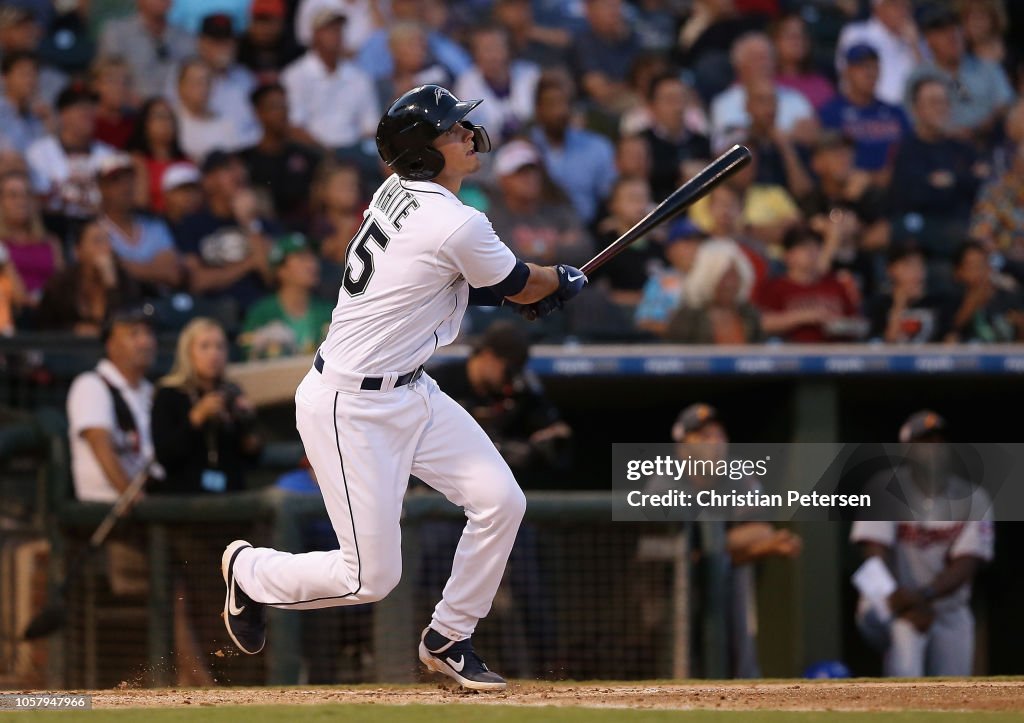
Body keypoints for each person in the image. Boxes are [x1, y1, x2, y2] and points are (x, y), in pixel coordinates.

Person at [219, 84, 586, 691]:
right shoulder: (455, 220)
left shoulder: (399, 193)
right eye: (452, 130)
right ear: (422, 152)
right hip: (350, 406)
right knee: (369, 578)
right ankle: (251, 571)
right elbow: (522, 281)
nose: (467, 135)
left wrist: (517, 292)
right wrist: (560, 282)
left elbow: (446, 276)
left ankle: (449, 637)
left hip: (412, 389)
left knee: (500, 500)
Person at [422, 321, 570, 678]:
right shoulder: (441, 381)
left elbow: (560, 444)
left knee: (530, 576)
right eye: (506, 368)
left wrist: (528, 451)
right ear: (487, 356)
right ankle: (421, 655)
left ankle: (547, 674)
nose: (509, 380)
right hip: (437, 507)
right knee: (417, 570)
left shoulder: (520, 391)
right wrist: (499, 447)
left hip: (487, 508)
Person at [851, 411, 994, 677]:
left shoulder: (974, 498)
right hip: (892, 600)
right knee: (904, 657)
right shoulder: (884, 488)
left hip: (945, 606)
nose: (934, 448)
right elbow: (873, 551)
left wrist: (924, 596)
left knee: (956, 691)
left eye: (939, 441)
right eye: (924, 442)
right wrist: (901, 599)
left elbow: (967, 562)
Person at [665, 403, 802, 677]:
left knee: (732, 570)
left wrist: (755, 544)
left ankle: (745, 683)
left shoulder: (736, 475)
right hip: (664, 583)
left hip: (715, 574)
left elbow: (761, 529)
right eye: (703, 436)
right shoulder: (666, 481)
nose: (714, 442)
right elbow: (686, 554)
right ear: (682, 449)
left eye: (718, 435)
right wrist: (760, 546)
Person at [151, 317, 261, 494]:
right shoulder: (168, 393)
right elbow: (165, 456)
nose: (214, 354)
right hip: (184, 494)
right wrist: (196, 418)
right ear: (188, 352)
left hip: (231, 491)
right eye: (205, 346)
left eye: (220, 347)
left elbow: (251, 456)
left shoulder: (232, 391)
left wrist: (247, 423)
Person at [889, 78, 988, 264]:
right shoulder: (908, 149)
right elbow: (914, 196)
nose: (940, 108)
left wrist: (950, 180)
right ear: (916, 109)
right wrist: (962, 181)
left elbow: (981, 183)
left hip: (962, 226)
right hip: (925, 234)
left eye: (944, 102)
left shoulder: (961, 147)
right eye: (933, 102)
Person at [66, 305, 156, 503]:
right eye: (134, 334)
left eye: (148, 333)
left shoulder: (150, 391)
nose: (145, 342)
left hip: (152, 495)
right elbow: (99, 442)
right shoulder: (92, 384)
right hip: (108, 504)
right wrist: (130, 495)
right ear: (111, 344)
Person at [174, 150, 275, 318]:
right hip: (211, 312)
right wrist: (249, 263)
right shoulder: (192, 225)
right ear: (208, 181)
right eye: (228, 169)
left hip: (259, 310)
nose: (239, 174)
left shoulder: (259, 223)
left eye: (241, 167)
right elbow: (197, 281)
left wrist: (249, 223)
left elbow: (271, 275)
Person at [904, 5, 1014, 151]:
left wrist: (986, 123)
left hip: (989, 142)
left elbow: (1007, 103)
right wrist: (947, 131)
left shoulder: (987, 68)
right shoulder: (919, 76)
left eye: (955, 28)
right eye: (943, 32)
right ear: (929, 40)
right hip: (940, 148)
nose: (952, 36)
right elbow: (911, 118)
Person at [281, 6, 379, 152]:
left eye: (339, 29)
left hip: (354, 151)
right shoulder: (294, 75)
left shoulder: (359, 76)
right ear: (315, 35)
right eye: (329, 29)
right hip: (312, 151)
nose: (336, 35)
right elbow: (294, 126)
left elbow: (370, 126)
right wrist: (325, 152)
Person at [25, 84, 116, 240]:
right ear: (63, 114)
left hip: (99, 228)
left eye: (90, 107)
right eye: (80, 107)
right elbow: (35, 201)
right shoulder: (39, 152)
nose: (87, 112)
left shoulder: (109, 154)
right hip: (53, 227)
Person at [485, 139, 590, 267]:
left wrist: (537, 248)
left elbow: (586, 250)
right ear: (502, 179)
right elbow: (506, 261)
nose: (530, 178)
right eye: (520, 173)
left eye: (533, 171)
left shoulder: (559, 212)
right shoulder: (490, 220)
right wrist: (558, 245)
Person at [529, 72, 616, 225]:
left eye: (564, 103)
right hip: (536, 231)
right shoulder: (525, 148)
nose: (559, 112)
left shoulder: (597, 147)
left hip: (588, 230)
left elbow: (609, 196)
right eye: (551, 104)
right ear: (538, 109)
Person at [709, 33, 816, 154]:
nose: (764, 64)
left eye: (768, 58)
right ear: (739, 65)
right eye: (757, 58)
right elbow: (730, 145)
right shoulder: (725, 102)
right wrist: (785, 137)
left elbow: (810, 136)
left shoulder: (795, 97)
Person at [819, 44, 910, 185]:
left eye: (874, 67)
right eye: (861, 67)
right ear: (847, 72)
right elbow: (828, 161)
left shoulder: (895, 112)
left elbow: (910, 152)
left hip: (895, 187)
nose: (869, 73)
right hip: (850, 189)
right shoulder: (831, 112)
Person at [755, 226, 862, 343]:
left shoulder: (835, 283)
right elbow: (762, 323)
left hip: (836, 353)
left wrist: (838, 323)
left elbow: (856, 322)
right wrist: (806, 316)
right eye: (804, 247)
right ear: (788, 255)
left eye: (816, 247)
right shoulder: (775, 287)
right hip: (793, 355)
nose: (812, 252)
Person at [239, 83, 322, 232]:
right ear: (258, 113)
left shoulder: (305, 155)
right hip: (266, 232)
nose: (282, 113)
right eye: (274, 107)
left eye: (284, 106)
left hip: (307, 230)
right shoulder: (245, 160)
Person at [35, 219, 142, 335]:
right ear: (78, 251)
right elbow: (45, 327)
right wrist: (74, 330)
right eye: (98, 241)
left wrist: (111, 285)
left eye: (109, 241)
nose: (106, 248)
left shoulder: (124, 281)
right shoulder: (61, 284)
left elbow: (129, 324)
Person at [96, 154, 182, 291]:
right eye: (116, 181)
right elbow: (106, 277)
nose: (125, 187)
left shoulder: (155, 225)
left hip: (158, 306)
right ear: (102, 187)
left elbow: (172, 274)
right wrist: (155, 270)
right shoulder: (94, 230)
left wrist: (124, 266)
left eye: (129, 179)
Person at [240, 233, 333, 359]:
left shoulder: (329, 311)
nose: (312, 264)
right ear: (281, 270)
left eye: (312, 257)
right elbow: (246, 355)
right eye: (302, 258)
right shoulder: (261, 313)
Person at [454, 24, 540, 144]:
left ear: (509, 49)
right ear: (475, 54)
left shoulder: (531, 75)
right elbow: (474, 133)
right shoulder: (466, 84)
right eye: (485, 49)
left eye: (497, 47)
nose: (491, 56)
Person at [665, 238, 762, 344]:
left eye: (735, 276)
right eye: (723, 277)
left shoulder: (748, 314)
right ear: (708, 278)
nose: (730, 284)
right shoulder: (688, 318)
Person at [98, 0, 196, 95]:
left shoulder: (186, 38)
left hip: (175, 107)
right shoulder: (117, 33)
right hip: (131, 107)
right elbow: (108, 79)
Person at [640, 72, 711, 202]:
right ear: (652, 106)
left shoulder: (702, 142)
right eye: (670, 100)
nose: (678, 107)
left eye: (681, 98)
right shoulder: (642, 142)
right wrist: (679, 170)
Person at [835, 0, 920, 107]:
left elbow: (925, 79)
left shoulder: (914, 40)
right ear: (877, 8)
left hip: (908, 112)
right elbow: (847, 78)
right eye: (895, 5)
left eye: (906, 6)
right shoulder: (856, 33)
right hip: (867, 109)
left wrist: (914, 46)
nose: (902, 11)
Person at [0, 169, 62, 307]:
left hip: (51, 313)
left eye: (26, 194)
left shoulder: (50, 242)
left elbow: (62, 284)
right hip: (14, 314)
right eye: (13, 195)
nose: (21, 201)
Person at [635, 218, 705, 337]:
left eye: (698, 242)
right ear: (670, 250)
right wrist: (681, 329)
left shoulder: (712, 278)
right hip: (669, 348)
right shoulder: (660, 281)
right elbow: (644, 322)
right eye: (687, 242)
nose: (695, 248)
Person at [868, 246, 952, 343]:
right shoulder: (879, 304)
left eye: (920, 265)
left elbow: (950, 342)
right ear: (891, 270)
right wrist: (899, 304)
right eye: (909, 265)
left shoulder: (939, 302)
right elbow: (887, 344)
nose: (917, 271)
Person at [571, 0, 641, 115]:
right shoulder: (583, 43)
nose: (614, 12)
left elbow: (648, 81)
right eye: (608, 6)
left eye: (617, 6)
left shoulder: (632, 39)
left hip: (633, 102)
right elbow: (600, 92)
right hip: (597, 111)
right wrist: (632, 86)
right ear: (590, 10)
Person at [945, 241, 1023, 343]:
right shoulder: (949, 300)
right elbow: (948, 334)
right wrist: (973, 302)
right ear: (958, 272)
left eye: (983, 265)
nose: (980, 272)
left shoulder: (1010, 298)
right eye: (972, 266)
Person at [173, 58, 249, 162]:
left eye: (207, 81)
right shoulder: (171, 121)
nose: (203, 87)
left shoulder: (225, 123)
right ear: (180, 86)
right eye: (196, 82)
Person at [125, 97, 188, 213]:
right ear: (144, 123)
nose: (166, 123)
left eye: (170, 117)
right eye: (159, 117)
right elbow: (139, 204)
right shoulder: (136, 161)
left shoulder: (186, 161)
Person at [771, 13, 835, 111]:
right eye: (791, 35)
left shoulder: (821, 85)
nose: (798, 40)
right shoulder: (763, 84)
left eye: (802, 35)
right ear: (774, 42)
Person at [0, 50, 47, 155]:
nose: (30, 80)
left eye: (34, 74)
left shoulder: (39, 116)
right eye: (24, 74)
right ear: (5, 77)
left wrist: (48, 123)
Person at [90, 55, 137, 150]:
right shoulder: (88, 123)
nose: (120, 88)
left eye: (125, 82)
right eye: (112, 81)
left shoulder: (136, 124)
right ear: (96, 85)